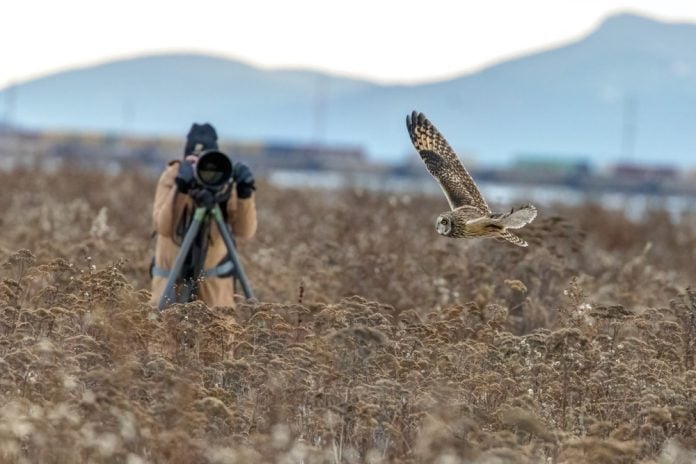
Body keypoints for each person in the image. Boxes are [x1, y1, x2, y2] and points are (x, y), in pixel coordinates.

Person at [150, 123, 257, 307]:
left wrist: (245, 194)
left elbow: (245, 231)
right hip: (170, 290)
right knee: (161, 334)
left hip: (215, 295)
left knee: (220, 332)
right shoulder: (173, 176)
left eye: (206, 162)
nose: (201, 170)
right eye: (194, 160)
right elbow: (164, 227)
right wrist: (181, 187)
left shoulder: (224, 181)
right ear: (185, 157)